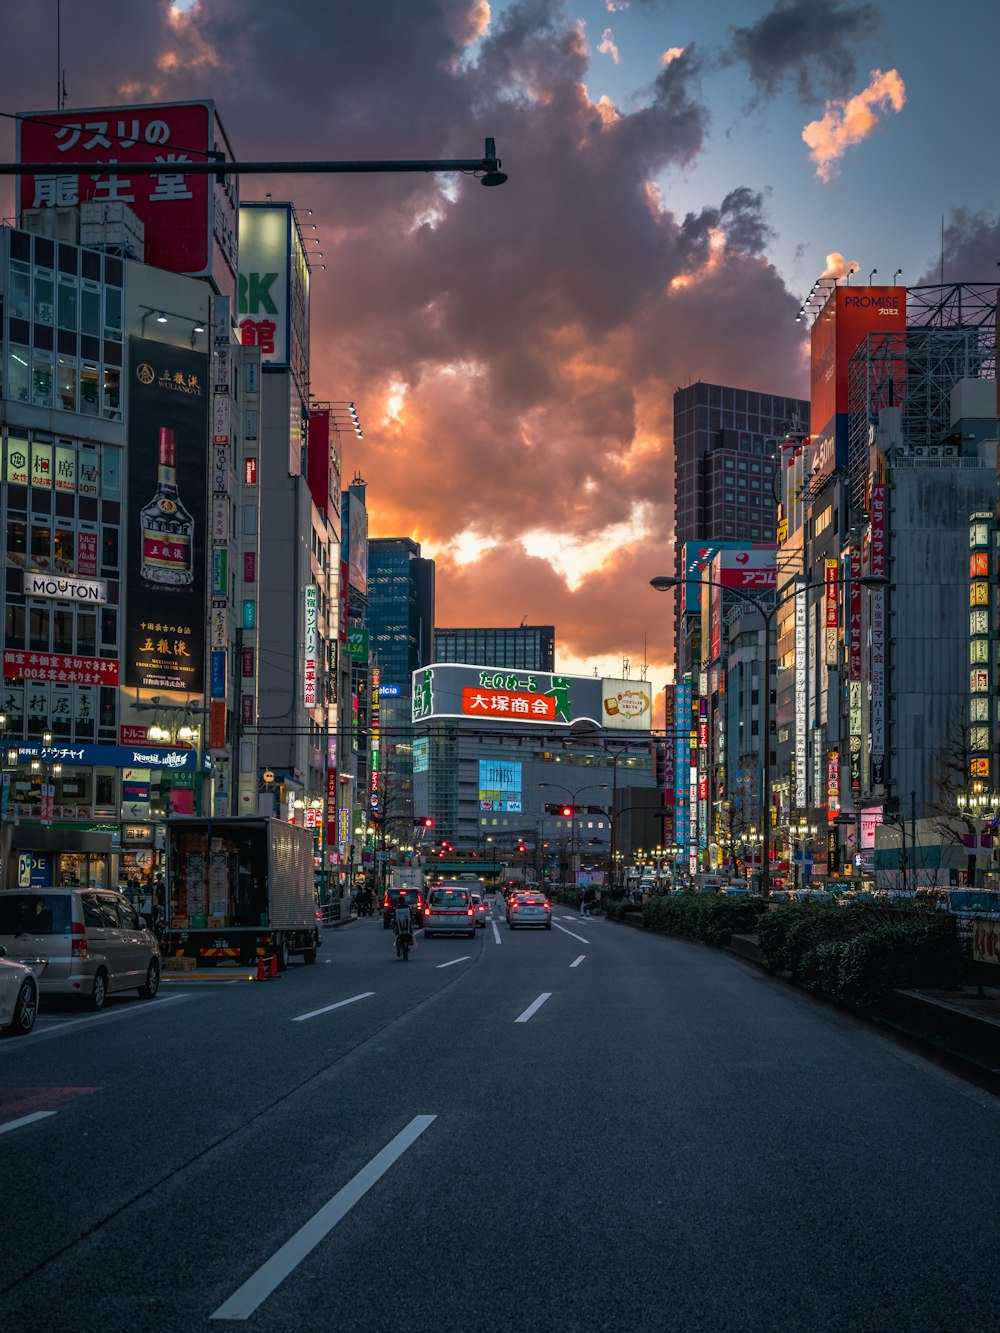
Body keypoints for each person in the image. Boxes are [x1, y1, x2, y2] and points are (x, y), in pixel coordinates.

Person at [392, 891, 413, 956]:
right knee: (410, 933)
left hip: (399, 925)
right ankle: (408, 946)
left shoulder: (397, 908)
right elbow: (411, 914)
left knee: (397, 936)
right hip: (407, 925)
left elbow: (394, 917)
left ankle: (398, 950)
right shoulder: (407, 907)